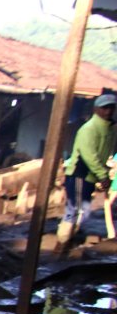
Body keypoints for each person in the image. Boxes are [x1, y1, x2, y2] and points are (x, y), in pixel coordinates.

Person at [58, 93, 117, 249]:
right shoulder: (89, 129)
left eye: (111, 108)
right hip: (79, 174)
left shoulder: (110, 130)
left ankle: (71, 241)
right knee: (75, 209)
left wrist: (104, 174)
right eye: (104, 108)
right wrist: (103, 175)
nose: (108, 112)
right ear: (96, 109)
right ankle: (62, 243)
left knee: (84, 210)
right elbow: (89, 156)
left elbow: (104, 154)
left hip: (91, 177)